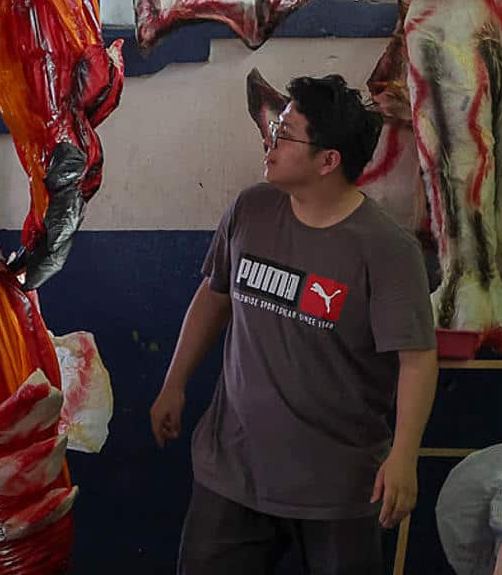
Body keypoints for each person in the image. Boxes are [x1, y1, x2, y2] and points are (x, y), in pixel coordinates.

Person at [152, 72, 439, 574]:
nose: (271, 142)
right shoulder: (250, 211)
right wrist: (174, 383)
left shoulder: (387, 250)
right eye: (274, 129)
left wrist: (404, 456)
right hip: (234, 472)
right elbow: (214, 295)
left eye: (285, 135)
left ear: (329, 161)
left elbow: (417, 359)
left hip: (338, 487)